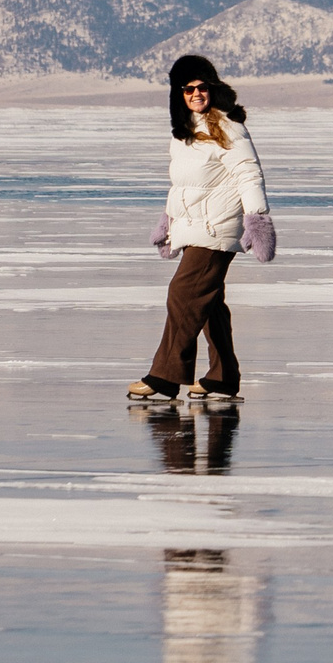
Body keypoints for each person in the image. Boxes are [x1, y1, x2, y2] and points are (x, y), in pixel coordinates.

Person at [128, 55, 276, 407]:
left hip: (217, 228)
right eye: (189, 88)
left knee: (184, 292)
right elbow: (183, 186)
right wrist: (169, 221)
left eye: (202, 87)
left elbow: (248, 173)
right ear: (178, 94)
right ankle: (222, 377)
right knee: (208, 304)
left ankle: (165, 377)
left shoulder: (227, 126)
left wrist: (257, 219)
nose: (196, 93)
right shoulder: (185, 133)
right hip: (193, 226)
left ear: (213, 89)